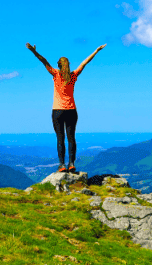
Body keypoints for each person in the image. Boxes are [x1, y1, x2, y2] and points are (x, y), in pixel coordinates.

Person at [26, 42, 106, 173]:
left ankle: (62, 165)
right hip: (71, 111)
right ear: (68, 65)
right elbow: (84, 63)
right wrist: (96, 51)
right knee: (71, 138)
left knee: (60, 138)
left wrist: (33, 51)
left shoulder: (56, 74)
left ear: (59, 65)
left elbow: (43, 61)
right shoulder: (73, 76)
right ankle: (72, 163)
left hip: (57, 111)